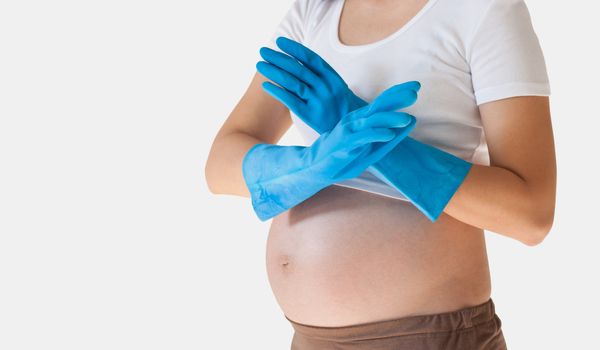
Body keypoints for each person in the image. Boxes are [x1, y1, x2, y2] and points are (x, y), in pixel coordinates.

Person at [205, 0, 556, 348]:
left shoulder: (484, 10)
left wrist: (387, 148)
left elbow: (530, 215)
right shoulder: (314, 11)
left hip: (426, 338)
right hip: (309, 339)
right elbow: (219, 166)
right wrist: (312, 164)